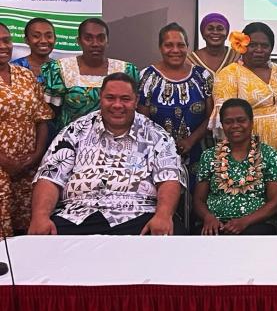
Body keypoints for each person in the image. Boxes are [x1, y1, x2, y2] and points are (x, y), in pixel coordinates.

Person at [29, 73, 185, 236]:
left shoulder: (156, 134)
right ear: (101, 98)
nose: (117, 105)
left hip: (138, 216)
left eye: (125, 99)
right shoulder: (74, 131)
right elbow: (50, 177)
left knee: (172, 235)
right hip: (76, 216)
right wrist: (40, 216)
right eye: (110, 98)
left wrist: (163, 215)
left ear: (136, 101)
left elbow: (169, 179)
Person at [212, 22, 277, 197]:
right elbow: (224, 120)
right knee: (254, 192)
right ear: (242, 46)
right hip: (248, 147)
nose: (259, 50)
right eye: (253, 45)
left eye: (265, 45)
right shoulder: (229, 74)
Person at [194, 99, 277, 235]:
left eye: (241, 120)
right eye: (228, 122)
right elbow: (198, 199)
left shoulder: (270, 155)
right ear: (222, 125)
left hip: (255, 224)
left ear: (251, 122)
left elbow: (275, 202)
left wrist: (245, 221)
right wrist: (208, 217)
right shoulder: (209, 155)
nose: (235, 126)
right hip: (214, 224)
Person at [138, 23, 213, 186]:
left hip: (199, 152)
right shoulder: (147, 77)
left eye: (181, 45)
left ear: (188, 47)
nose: (175, 50)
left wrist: (190, 141)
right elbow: (142, 121)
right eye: (168, 45)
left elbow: (211, 117)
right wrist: (166, 146)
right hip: (157, 153)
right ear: (160, 47)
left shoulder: (203, 76)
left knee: (196, 201)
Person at [0, 23, 53, 237]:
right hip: (2, 168)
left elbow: (42, 118)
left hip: (28, 169)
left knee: (28, 230)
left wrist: (35, 156)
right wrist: (5, 161)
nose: (3, 46)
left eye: (6, 40)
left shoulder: (26, 75)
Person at [42, 18, 139, 127]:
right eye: (88, 38)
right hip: (71, 139)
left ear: (107, 41)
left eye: (101, 38)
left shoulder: (126, 70)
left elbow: (133, 110)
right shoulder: (60, 69)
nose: (95, 44)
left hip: (116, 138)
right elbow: (51, 114)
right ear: (79, 41)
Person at [11, 17, 56, 84]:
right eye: (36, 36)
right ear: (26, 40)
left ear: (55, 39)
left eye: (49, 36)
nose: (43, 41)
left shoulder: (61, 70)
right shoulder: (14, 68)